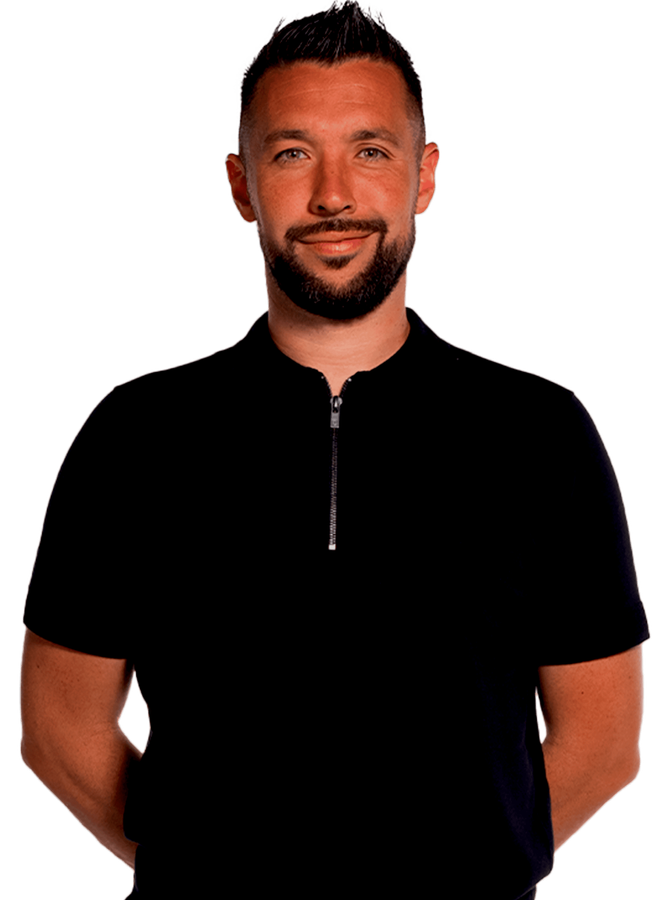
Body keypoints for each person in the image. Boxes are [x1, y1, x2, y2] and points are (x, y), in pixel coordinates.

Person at [18, 3, 650, 898]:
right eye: (291, 154)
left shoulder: (540, 434)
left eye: (370, 151)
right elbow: (59, 730)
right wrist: (202, 875)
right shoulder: (136, 435)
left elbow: (603, 740)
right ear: (241, 185)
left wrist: (470, 881)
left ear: (423, 176)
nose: (332, 196)